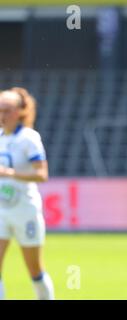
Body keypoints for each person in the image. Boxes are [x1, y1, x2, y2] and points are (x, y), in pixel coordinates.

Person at [0, 87, 54, 300]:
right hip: (2, 210)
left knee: (35, 270)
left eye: (7, 110)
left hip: (25, 210)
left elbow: (42, 174)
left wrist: (9, 173)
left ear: (20, 112)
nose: (2, 115)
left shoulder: (29, 138)